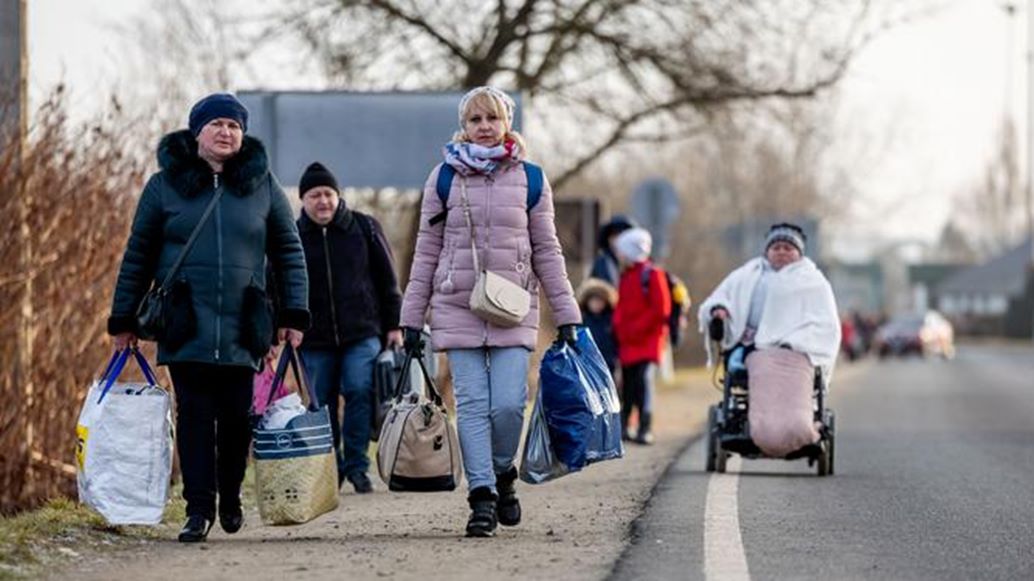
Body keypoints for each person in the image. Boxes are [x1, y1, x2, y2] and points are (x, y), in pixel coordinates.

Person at [107, 93, 309, 542]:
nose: (226, 132)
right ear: (197, 131)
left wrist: (293, 313)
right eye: (216, 124)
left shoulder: (263, 185)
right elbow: (137, 255)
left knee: (237, 417)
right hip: (185, 322)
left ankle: (231, 495)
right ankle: (198, 510)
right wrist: (123, 319)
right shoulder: (164, 186)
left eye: (234, 125)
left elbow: (289, 251)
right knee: (195, 415)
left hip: (244, 324)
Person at [400, 86, 582, 538]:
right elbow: (426, 251)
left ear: (507, 124)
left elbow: (547, 250)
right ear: (464, 126)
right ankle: (481, 496)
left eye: (492, 119)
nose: (484, 127)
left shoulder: (531, 179)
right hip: (456, 304)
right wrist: (410, 316)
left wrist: (567, 313)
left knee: (507, 404)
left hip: (514, 307)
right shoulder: (443, 178)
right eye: (475, 120)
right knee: (473, 406)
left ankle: (504, 474)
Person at [295, 161, 403, 493]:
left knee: (359, 390)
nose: (323, 201)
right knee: (321, 402)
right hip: (313, 337)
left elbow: (388, 280)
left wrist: (394, 325)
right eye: (315, 195)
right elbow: (277, 286)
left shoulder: (364, 227)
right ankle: (333, 465)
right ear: (303, 200)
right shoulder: (293, 236)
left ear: (338, 196)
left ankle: (357, 465)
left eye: (328, 194)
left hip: (363, 330)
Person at [697, 223, 840, 384]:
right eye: (776, 247)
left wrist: (797, 341)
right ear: (767, 252)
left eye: (788, 248)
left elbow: (826, 323)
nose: (781, 252)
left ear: (799, 254)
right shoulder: (745, 275)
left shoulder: (814, 281)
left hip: (795, 348)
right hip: (751, 343)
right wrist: (719, 309)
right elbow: (721, 296)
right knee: (748, 359)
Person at [612, 228, 671, 445]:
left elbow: (662, 310)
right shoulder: (625, 276)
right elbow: (622, 307)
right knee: (628, 384)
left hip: (648, 341)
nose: (619, 256)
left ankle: (645, 427)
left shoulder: (653, 274)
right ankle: (626, 425)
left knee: (643, 382)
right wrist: (618, 327)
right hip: (628, 342)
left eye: (621, 252)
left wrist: (637, 327)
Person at [577, 278, 619, 376]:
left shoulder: (611, 320)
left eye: (600, 301)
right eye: (594, 300)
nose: (597, 304)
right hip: (586, 364)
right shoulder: (582, 320)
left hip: (608, 364)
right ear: (587, 301)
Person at [589, 215, 637, 286]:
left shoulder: (638, 261)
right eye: (614, 236)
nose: (618, 240)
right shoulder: (601, 263)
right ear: (608, 239)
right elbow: (591, 288)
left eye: (622, 236)